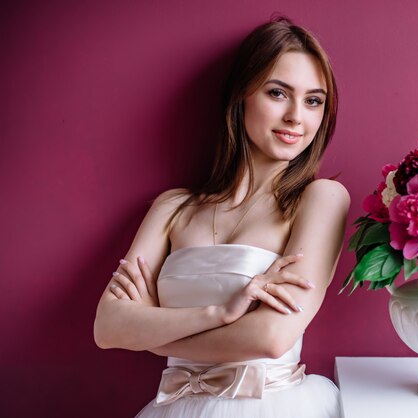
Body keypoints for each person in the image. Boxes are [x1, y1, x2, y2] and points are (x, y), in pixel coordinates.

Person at [93, 17, 349, 418]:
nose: (297, 117)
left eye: (314, 101)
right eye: (278, 93)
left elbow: (270, 336)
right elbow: (108, 329)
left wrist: (153, 336)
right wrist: (221, 313)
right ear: (241, 95)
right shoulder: (172, 207)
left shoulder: (321, 199)